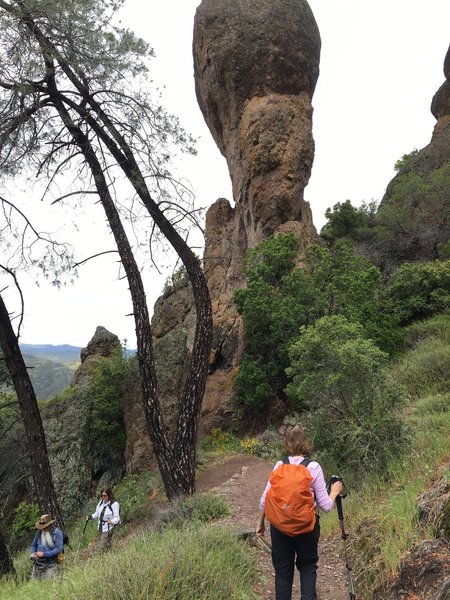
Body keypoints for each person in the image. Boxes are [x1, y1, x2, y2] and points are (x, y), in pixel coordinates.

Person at [256, 427, 343, 600]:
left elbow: (265, 499)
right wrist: (334, 491)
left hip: (280, 528)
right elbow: (325, 506)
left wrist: (260, 523)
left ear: (287, 443)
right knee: (308, 567)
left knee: (282, 572)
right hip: (306, 528)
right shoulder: (313, 467)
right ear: (306, 443)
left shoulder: (279, 465)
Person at [86, 487, 120, 552]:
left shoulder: (114, 504)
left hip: (108, 527)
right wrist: (90, 517)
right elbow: (97, 513)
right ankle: (109, 554)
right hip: (100, 527)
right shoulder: (101, 502)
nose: (103, 497)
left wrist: (112, 521)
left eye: (105, 496)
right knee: (102, 544)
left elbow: (117, 518)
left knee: (101, 548)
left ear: (109, 495)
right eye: (102, 496)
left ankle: (101, 557)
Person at [30, 514, 63, 580]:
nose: (43, 529)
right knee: (34, 585)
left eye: (44, 527)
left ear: (50, 525)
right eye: (42, 527)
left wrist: (44, 554)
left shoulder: (57, 533)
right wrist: (33, 553)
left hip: (51, 564)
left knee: (48, 585)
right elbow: (33, 545)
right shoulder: (39, 533)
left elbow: (59, 549)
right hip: (38, 563)